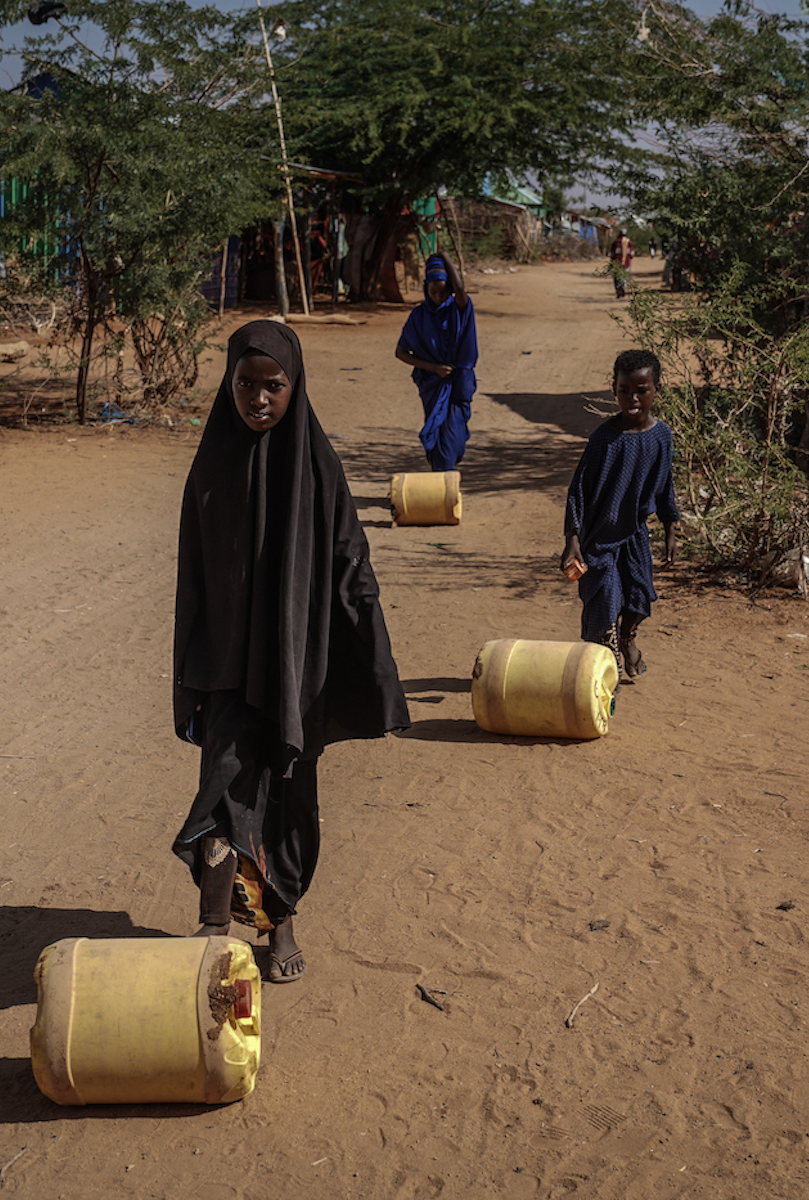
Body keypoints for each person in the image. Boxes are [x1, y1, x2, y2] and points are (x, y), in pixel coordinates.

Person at [172, 319, 410, 984]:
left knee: (286, 795)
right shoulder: (212, 465)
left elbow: (349, 565)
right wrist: (187, 677)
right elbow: (193, 576)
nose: (257, 400)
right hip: (224, 670)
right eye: (244, 385)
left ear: (293, 385)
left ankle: (283, 925)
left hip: (293, 670)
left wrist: (375, 665)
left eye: (272, 386)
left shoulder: (316, 465)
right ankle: (215, 925)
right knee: (220, 793)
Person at [561, 348, 680, 684]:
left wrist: (671, 528)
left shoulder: (661, 436)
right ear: (614, 389)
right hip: (599, 541)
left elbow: (665, 486)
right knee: (607, 603)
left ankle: (627, 639)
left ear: (656, 389)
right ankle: (606, 666)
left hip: (634, 536)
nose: (632, 398)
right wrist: (572, 541)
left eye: (641, 390)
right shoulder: (604, 439)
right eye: (624, 390)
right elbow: (578, 491)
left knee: (639, 600)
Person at [394, 253, 477, 472]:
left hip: (458, 383)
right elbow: (400, 352)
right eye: (433, 292)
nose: (439, 297)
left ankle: (442, 482)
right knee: (439, 437)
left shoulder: (458, 310)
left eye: (443, 291)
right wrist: (434, 368)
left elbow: (461, 290)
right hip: (432, 383)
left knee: (454, 438)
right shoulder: (419, 316)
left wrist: (446, 258)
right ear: (425, 289)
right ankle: (440, 491)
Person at [609, 232, 636, 299]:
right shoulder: (628, 242)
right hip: (626, 263)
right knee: (625, 275)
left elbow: (612, 253)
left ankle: (619, 290)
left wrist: (612, 260)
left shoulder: (616, 242)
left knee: (617, 277)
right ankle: (624, 287)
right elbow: (632, 253)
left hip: (617, 263)